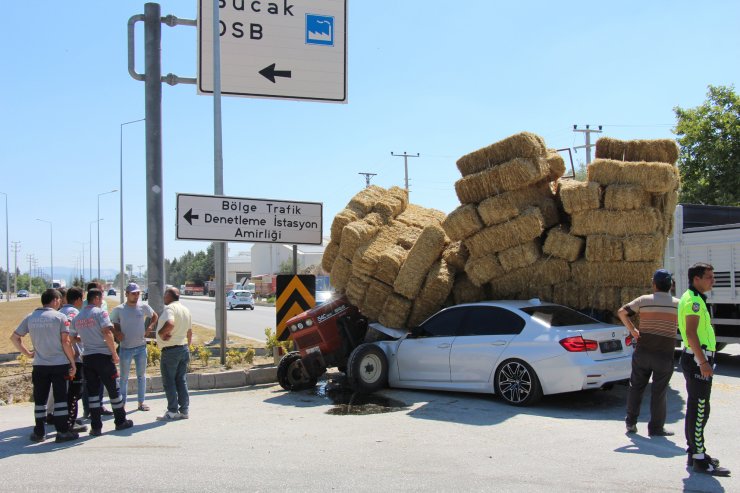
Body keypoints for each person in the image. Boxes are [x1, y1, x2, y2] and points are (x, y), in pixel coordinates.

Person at [678, 262, 730, 476]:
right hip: (697, 360)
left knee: (697, 409)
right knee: (700, 410)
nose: (713, 280)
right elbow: (691, 334)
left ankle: (695, 453)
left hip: (696, 359)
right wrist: (703, 362)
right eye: (709, 277)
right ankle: (699, 459)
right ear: (696, 279)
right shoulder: (693, 302)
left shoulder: (696, 299)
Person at [9, 288, 79, 443]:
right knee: (61, 399)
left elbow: (14, 338)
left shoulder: (30, 317)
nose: (60, 303)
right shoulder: (60, 317)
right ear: (54, 300)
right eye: (59, 300)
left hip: (39, 365)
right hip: (59, 364)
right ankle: (62, 432)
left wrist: (27, 353)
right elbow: (66, 342)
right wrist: (72, 363)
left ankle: (39, 432)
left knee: (40, 400)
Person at [618, 269, 679, 436]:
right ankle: (656, 428)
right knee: (659, 392)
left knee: (636, 387)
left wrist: (633, 330)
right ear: (671, 285)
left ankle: (631, 423)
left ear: (654, 284)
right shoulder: (678, 304)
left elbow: (622, 312)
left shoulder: (644, 300)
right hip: (664, 354)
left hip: (643, 352)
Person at [74, 288, 133, 435]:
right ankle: (120, 421)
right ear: (96, 299)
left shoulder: (78, 317)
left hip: (87, 357)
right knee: (114, 389)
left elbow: (71, 337)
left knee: (93, 393)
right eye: (101, 299)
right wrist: (114, 353)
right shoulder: (100, 313)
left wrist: (86, 339)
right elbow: (107, 332)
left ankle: (96, 427)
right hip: (103, 356)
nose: (101, 302)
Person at [110, 282, 158, 410]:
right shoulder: (119, 309)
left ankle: (141, 403)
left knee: (141, 376)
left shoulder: (143, 307)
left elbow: (154, 316)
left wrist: (150, 326)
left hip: (141, 347)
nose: (136, 296)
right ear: (126, 294)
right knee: (124, 378)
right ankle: (122, 403)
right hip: (126, 348)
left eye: (138, 293)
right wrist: (118, 332)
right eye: (133, 294)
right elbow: (113, 323)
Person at [156, 287, 192, 421]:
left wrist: (161, 333)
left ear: (169, 296)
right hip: (183, 348)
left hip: (170, 351)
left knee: (169, 382)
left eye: (165, 294)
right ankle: (184, 410)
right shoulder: (185, 309)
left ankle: (172, 411)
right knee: (181, 381)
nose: (164, 297)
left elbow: (170, 323)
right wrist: (187, 346)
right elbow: (189, 332)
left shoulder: (170, 309)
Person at [59, 287, 87, 433]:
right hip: (73, 358)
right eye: (82, 299)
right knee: (75, 392)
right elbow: (69, 336)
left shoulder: (60, 311)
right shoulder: (73, 313)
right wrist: (75, 351)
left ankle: (69, 419)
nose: (83, 302)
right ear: (77, 300)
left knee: (68, 392)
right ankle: (70, 422)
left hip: (62, 357)